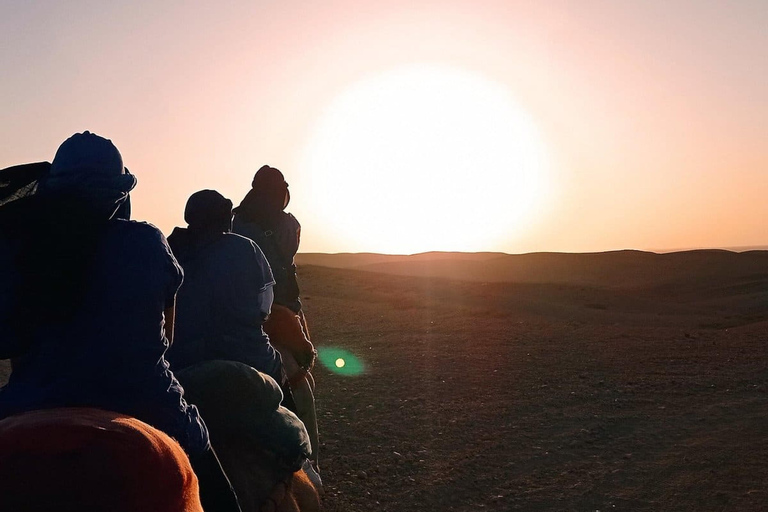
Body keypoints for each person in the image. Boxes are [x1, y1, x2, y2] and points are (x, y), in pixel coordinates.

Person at [0, 132, 241, 512]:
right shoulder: (146, 242)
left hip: (27, 402)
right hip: (149, 404)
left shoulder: (20, 247)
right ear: (118, 193)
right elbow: (169, 337)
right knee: (221, 498)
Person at [232, 166, 321, 489]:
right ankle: (308, 468)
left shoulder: (236, 221)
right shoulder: (288, 224)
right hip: (283, 313)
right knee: (299, 381)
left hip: (246, 315)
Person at [165, 190, 285, 389]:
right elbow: (264, 307)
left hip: (181, 358)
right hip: (247, 354)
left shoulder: (171, 248)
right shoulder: (246, 247)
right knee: (277, 374)